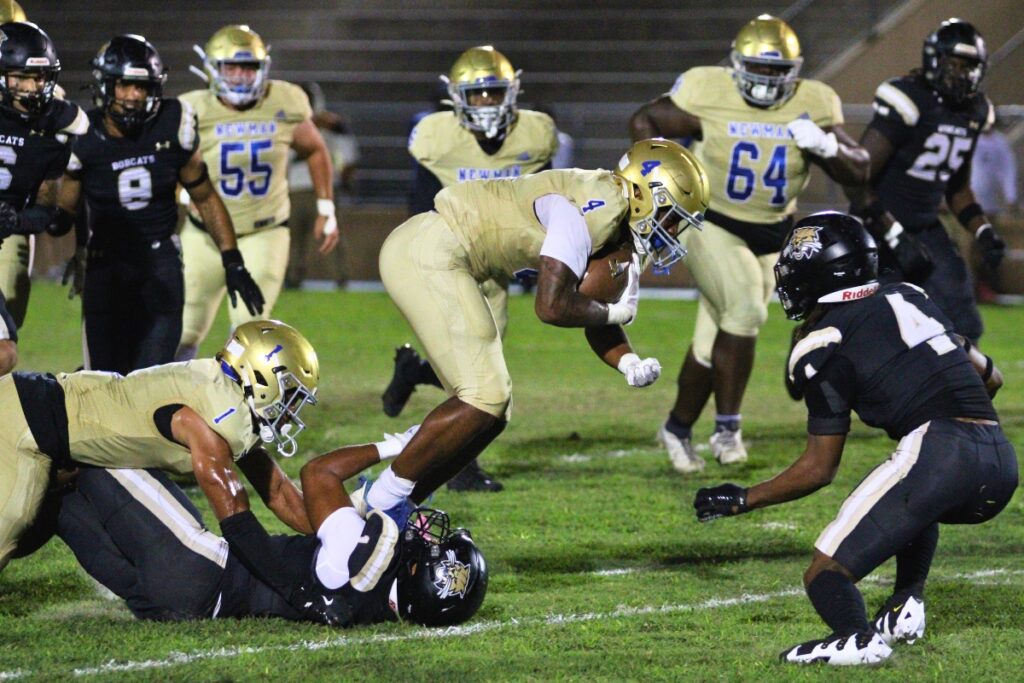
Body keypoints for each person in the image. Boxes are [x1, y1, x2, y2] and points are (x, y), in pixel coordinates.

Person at [694, 211, 1017, 666]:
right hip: (1001, 459)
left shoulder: (824, 339)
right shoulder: (910, 295)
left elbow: (819, 469)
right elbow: (992, 377)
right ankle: (907, 604)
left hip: (942, 452)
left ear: (818, 272)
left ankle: (856, 636)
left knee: (825, 571)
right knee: (916, 494)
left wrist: (744, 498)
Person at [363, 139, 707, 527]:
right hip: (431, 251)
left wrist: (627, 361)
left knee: (493, 411)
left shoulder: (616, 221)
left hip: (454, 259)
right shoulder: (595, 210)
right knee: (483, 397)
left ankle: (397, 505)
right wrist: (613, 311)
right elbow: (552, 306)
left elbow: (594, 314)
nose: (674, 231)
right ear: (646, 194)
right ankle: (380, 498)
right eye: (673, 216)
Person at [629, 14, 869, 474]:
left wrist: (825, 145)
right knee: (745, 312)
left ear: (795, 71)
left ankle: (677, 428)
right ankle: (727, 427)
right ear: (737, 65)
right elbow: (645, 120)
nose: (766, 80)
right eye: (758, 68)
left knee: (712, 337)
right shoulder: (707, 89)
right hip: (710, 220)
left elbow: (859, 169)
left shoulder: (814, 101)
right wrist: (658, 188)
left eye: (777, 71)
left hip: (774, 231)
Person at [0, 319, 343, 624]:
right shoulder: (213, 415)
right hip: (27, 420)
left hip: (53, 435)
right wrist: (298, 594)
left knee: (34, 530)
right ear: (262, 375)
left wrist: (341, 535)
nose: (291, 408)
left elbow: (279, 493)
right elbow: (237, 521)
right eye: (291, 394)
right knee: (12, 528)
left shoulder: (227, 400)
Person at [382, 45, 560, 492]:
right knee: (480, 373)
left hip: (493, 263)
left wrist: (536, 253)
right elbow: (419, 206)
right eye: (475, 95)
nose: (485, 103)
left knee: (480, 359)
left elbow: (546, 198)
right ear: (456, 97)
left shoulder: (535, 134)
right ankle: (463, 469)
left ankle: (415, 373)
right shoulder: (436, 137)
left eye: (493, 93)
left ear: (512, 92)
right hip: (446, 256)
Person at [13, 463, 486, 627]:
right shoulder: (372, 601)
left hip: (198, 567)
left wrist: (393, 448)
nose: (423, 538)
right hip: (169, 606)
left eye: (431, 548)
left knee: (87, 443)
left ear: (424, 576)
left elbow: (325, 477)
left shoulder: (371, 554)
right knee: (51, 502)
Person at [57, 35, 262, 375]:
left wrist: (232, 260)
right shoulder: (82, 131)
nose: (134, 96)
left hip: (159, 264)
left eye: (142, 87)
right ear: (106, 85)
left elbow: (205, 195)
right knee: (104, 381)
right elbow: (66, 208)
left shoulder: (172, 122)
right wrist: (72, 240)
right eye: (125, 85)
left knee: (151, 381)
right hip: (106, 266)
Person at [175, 25, 338, 361]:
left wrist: (326, 208)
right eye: (230, 67)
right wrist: (182, 195)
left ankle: (237, 405)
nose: (239, 76)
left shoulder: (284, 99)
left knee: (250, 330)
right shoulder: (191, 109)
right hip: (204, 232)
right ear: (212, 69)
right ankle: (169, 399)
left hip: (263, 231)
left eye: (248, 67)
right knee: (185, 328)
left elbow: (316, 150)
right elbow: (170, 163)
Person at [845, 19, 1004, 342]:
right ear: (935, 61)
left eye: (970, 66)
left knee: (964, 323)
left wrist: (983, 230)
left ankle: (952, 389)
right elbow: (856, 176)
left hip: (926, 229)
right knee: (878, 327)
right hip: (876, 226)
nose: (962, 74)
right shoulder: (911, 99)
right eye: (955, 64)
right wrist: (891, 231)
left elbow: (957, 188)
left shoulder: (974, 111)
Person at [0, 21, 88, 373]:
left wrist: (82, 244)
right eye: (23, 77)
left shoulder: (60, 120)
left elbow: (59, 199)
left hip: (9, 228)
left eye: (40, 78)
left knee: (7, 335)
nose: (34, 88)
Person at [284, 81, 357, 290]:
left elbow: (346, 155)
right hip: (307, 189)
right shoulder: (324, 124)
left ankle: (338, 277)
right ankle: (296, 277)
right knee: (297, 239)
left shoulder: (331, 125)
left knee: (324, 236)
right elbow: (348, 157)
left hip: (315, 189)